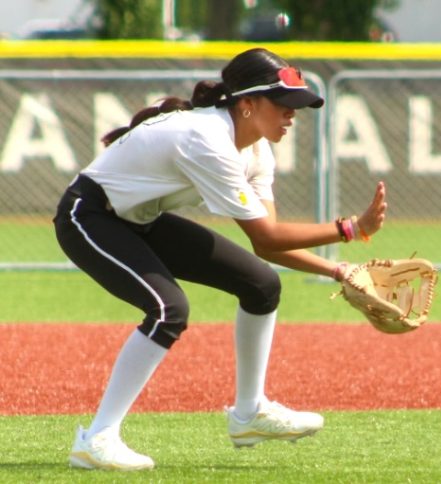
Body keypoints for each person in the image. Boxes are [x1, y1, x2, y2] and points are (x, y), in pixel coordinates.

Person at [53, 47, 387, 471]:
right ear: (248, 105)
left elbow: (267, 245)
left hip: (140, 220)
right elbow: (267, 235)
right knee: (168, 310)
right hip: (88, 216)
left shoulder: (257, 150)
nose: (292, 114)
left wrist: (339, 270)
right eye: (283, 103)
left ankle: (249, 414)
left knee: (261, 284)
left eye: (297, 105)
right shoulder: (207, 139)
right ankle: (97, 439)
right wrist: (351, 229)